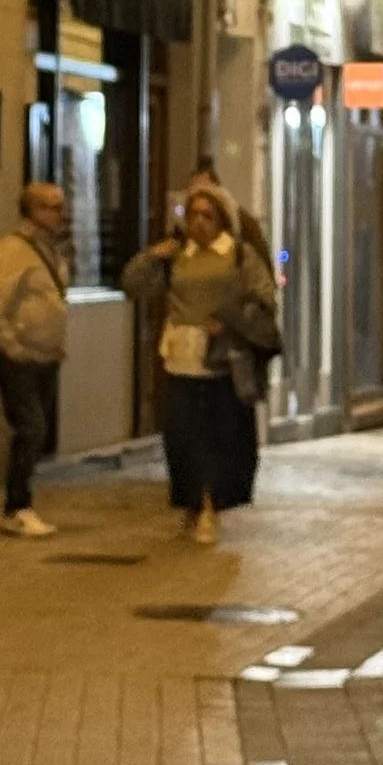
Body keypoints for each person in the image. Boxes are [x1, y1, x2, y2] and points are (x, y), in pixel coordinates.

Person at [124, 177, 281, 544]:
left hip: (223, 360)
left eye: (208, 215)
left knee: (219, 438)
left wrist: (229, 321)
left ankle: (212, 505)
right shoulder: (178, 255)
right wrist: (152, 256)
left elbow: (264, 299)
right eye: (193, 215)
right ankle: (192, 502)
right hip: (181, 357)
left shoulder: (239, 254)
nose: (199, 222)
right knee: (182, 437)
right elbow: (133, 285)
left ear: (222, 218)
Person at [0, 182, 68, 538]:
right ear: (31, 210)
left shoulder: (50, 250)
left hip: (46, 356)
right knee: (31, 429)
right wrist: (13, 347)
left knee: (37, 431)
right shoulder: (13, 251)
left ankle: (22, 504)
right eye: (51, 207)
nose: (60, 214)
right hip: (21, 357)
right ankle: (17, 507)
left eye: (61, 206)